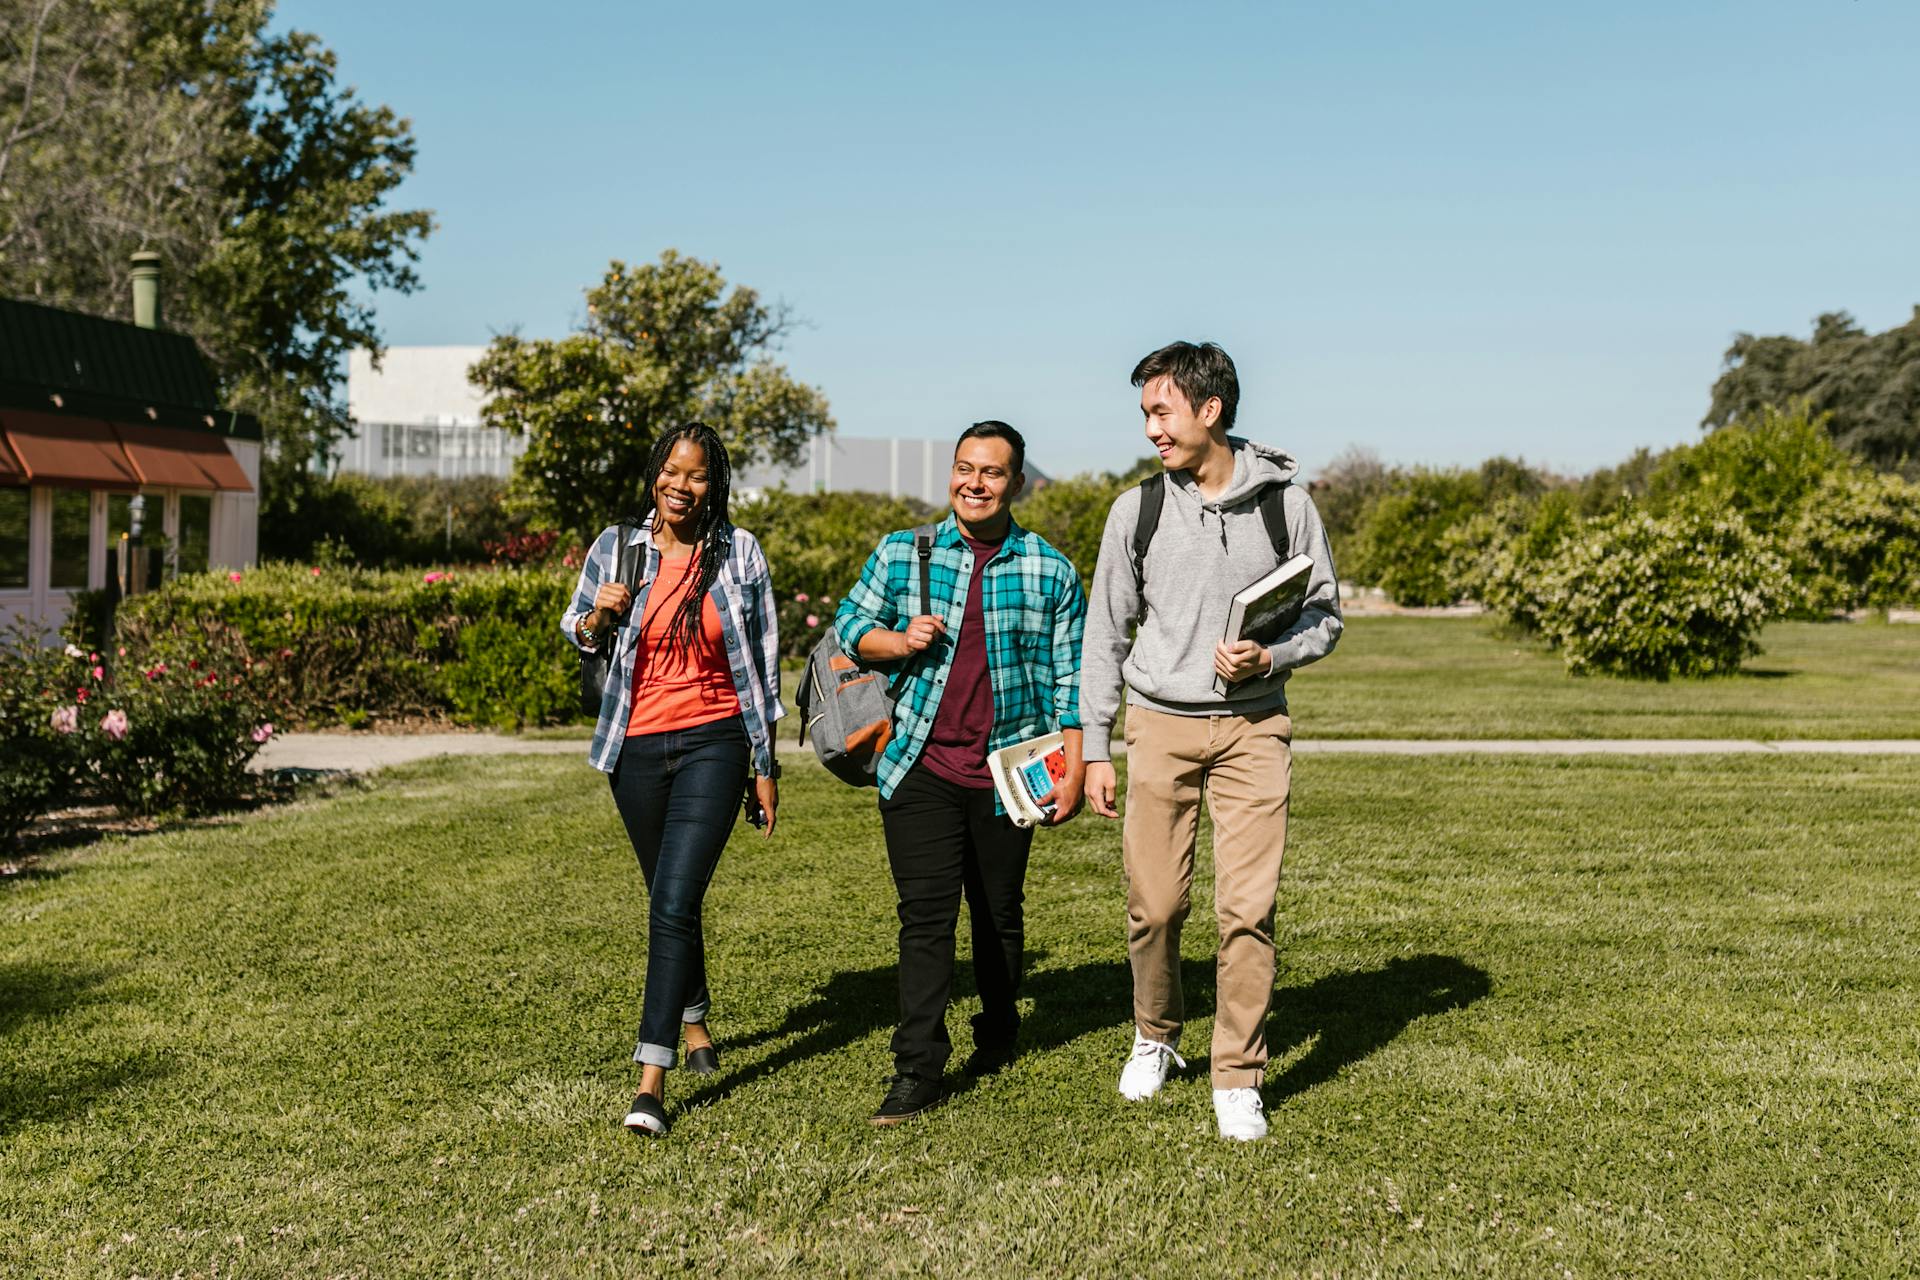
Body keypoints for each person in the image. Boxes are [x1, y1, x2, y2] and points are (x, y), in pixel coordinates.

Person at [1080, 342, 1342, 1142]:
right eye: (1146, 415)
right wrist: (1096, 744)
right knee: (1155, 907)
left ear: (1209, 410)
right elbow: (1106, 632)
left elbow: (1325, 616)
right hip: (1159, 726)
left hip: (1256, 729)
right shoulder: (1138, 510)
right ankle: (1156, 1035)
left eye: (1161, 412)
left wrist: (1274, 653)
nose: (1151, 429)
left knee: (1247, 910)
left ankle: (1238, 1074)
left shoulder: (1286, 507)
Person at [833, 420, 1087, 1126]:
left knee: (999, 913)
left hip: (1011, 772)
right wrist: (897, 639)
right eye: (964, 468)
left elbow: (1073, 679)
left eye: (992, 472)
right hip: (919, 764)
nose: (974, 483)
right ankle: (917, 1067)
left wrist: (1075, 766)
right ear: (951, 474)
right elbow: (850, 624)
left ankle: (999, 1031)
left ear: (1018, 484)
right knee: (926, 920)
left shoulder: (1050, 570)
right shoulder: (902, 552)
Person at [561, 422, 783, 1138]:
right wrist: (599, 613)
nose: (679, 485)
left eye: (695, 475)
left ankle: (650, 1082)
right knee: (668, 900)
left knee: (676, 897)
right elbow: (578, 629)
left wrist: (765, 763)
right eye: (669, 471)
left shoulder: (739, 553)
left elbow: (766, 663)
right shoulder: (617, 546)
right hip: (636, 749)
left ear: (714, 484)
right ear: (654, 472)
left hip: (715, 742)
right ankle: (695, 1027)